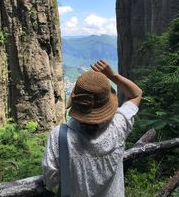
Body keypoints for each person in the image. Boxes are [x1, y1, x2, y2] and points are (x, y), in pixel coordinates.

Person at [42, 60, 142, 197]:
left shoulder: (59, 136)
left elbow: (51, 181)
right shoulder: (118, 126)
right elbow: (136, 94)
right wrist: (112, 75)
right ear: (107, 104)